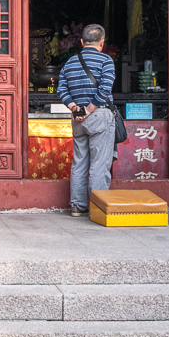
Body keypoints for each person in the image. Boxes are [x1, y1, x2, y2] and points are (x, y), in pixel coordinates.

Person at [58, 23, 116, 217]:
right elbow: (105, 88)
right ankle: (98, 209)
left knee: (80, 162)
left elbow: (61, 89)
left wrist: (75, 108)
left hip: (78, 118)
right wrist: (90, 109)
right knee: (99, 164)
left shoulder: (70, 63)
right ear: (102, 42)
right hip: (99, 115)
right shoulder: (106, 61)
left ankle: (77, 206)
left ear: (82, 42)